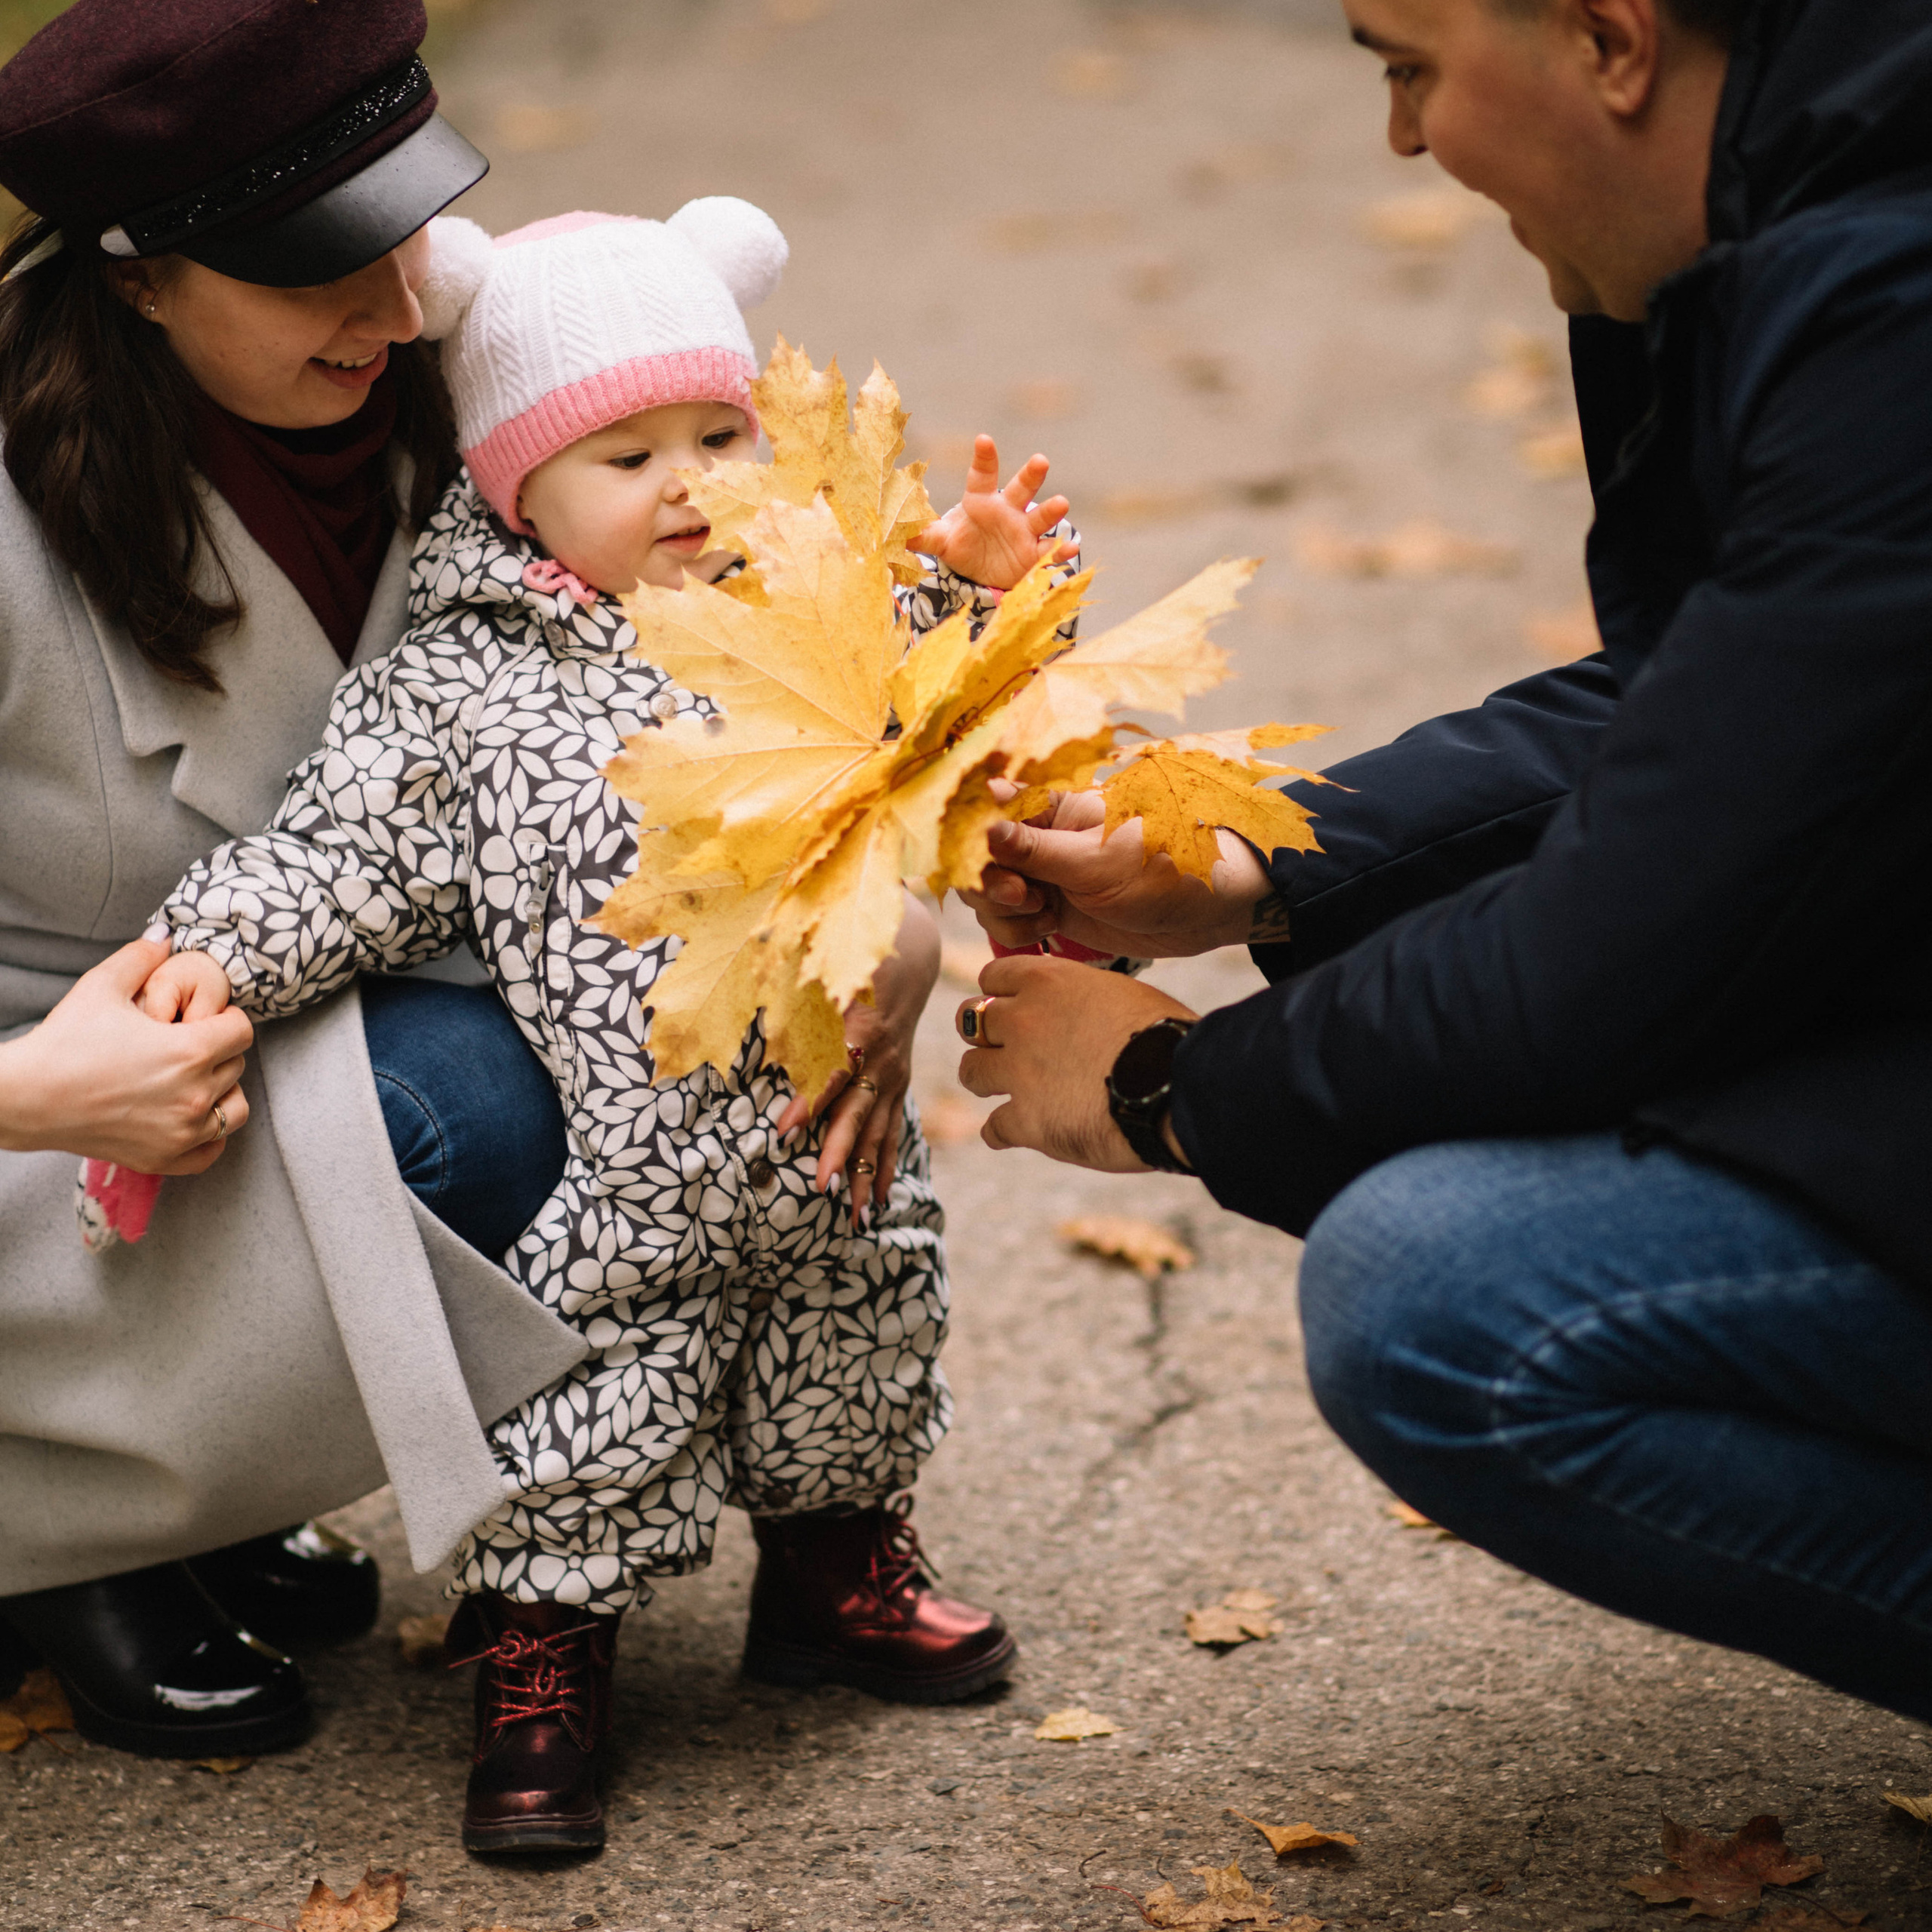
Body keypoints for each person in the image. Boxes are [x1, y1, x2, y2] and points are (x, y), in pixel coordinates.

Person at [954, 0, 1932, 1724]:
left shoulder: (1889, 309)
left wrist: (1170, 1086)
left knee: (1440, 1290)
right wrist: (1255, 860)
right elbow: (1708, 687)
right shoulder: (1822, 202)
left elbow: (1616, 947)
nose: (1401, 140)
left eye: (1404, 65)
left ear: (1609, 40)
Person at [141, 202, 1082, 1853]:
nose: (690, 482)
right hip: (623, 1167)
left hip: (829, 1132)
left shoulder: (827, 612)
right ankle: (545, 1656)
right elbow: (336, 854)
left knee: (855, 1340)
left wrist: (1000, 603)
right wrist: (203, 957)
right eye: (623, 452)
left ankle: (832, 1569)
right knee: (586, 1409)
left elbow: (969, 733)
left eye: (719, 433)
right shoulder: (461, 691)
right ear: (516, 488)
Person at [0, 0, 693, 1766]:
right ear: (139, 276)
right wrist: (28, 1090)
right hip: (47, 1143)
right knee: (457, 1103)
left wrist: (889, 929)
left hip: (248, 1067)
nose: (395, 308)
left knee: (572, 1047)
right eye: (320, 268)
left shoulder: (455, 386)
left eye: (405, 227)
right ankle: (60, 1523)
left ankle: (194, 1484)